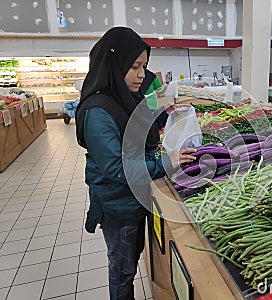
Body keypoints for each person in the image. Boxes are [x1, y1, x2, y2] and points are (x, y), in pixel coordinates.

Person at [75, 27, 196, 300]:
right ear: (114, 65)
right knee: (122, 270)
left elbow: (136, 130)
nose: (142, 74)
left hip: (134, 198)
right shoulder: (97, 110)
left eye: (144, 66)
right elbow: (117, 167)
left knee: (130, 257)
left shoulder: (122, 98)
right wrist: (168, 162)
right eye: (134, 66)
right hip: (118, 204)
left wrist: (164, 116)